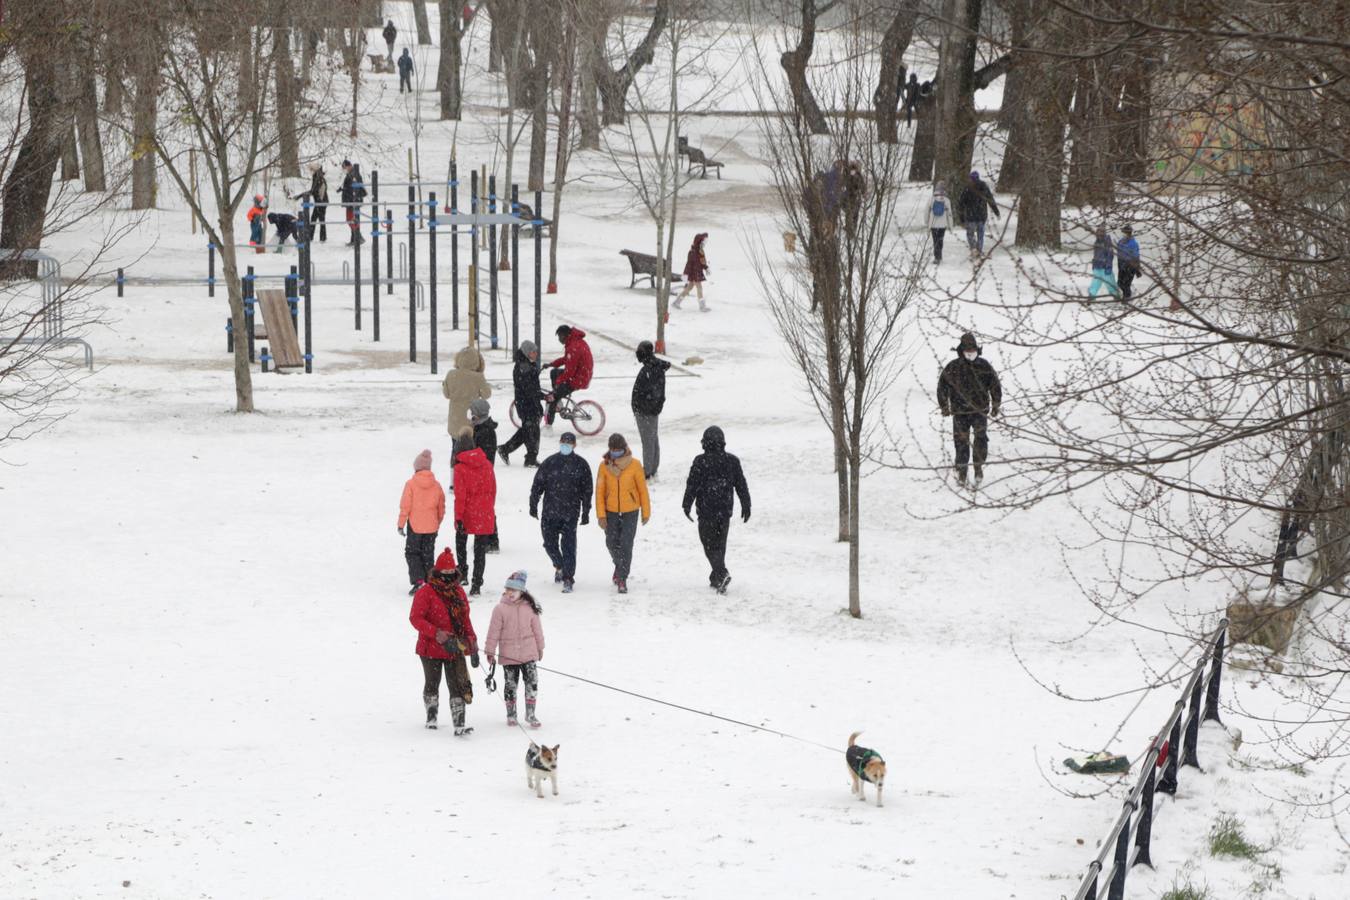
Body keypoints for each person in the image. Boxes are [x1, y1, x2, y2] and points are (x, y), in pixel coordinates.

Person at [409, 548, 480, 734]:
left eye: (451, 573)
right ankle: (431, 716)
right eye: (445, 573)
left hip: (454, 647)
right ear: (437, 572)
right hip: (430, 648)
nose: (448, 576)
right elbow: (416, 618)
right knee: (432, 683)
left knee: (457, 685)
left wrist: (472, 642)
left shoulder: (459, 592)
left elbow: (465, 619)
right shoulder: (425, 592)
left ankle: (459, 723)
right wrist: (437, 633)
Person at [682, 426, 751, 594]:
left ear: (704, 443)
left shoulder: (700, 461)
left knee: (709, 546)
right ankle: (717, 577)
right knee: (720, 546)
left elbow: (692, 485)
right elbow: (741, 484)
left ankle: (721, 573)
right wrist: (746, 503)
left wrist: (687, 504)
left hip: (706, 511)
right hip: (725, 510)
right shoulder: (732, 461)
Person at [937, 332, 1002, 489]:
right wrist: (944, 406)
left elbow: (995, 385)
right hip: (960, 413)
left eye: (973, 349)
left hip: (980, 411)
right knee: (961, 443)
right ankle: (962, 472)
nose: (970, 352)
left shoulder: (984, 366)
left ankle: (978, 467)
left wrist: (996, 404)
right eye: (967, 350)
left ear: (977, 349)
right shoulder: (953, 367)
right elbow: (942, 386)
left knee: (980, 440)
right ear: (961, 350)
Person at [529, 432, 592, 593]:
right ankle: (559, 566)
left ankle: (568, 577)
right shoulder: (550, 463)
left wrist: (586, 511)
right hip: (550, 512)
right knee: (549, 544)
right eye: (563, 442)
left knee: (569, 546)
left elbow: (587, 491)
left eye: (569, 443)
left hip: (570, 513)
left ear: (574, 445)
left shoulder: (581, 465)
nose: (566, 445)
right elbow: (538, 485)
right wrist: (533, 504)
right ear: (559, 443)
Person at [484, 571, 545, 727]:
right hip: (509, 655)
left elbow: (537, 630)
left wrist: (540, 647)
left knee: (532, 682)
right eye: (508, 589)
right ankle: (511, 714)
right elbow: (493, 632)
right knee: (511, 684)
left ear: (522, 592)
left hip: (529, 653)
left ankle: (530, 714)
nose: (510, 593)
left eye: (514, 590)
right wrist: (490, 650)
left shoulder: (529, 608)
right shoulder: (500, 609)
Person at [595, 433, 650, 595]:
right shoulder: (604, 466)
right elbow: (599, 492)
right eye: (612, 450)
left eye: (618, 450)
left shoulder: (635, 465)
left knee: (626, 544)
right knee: (611, 542)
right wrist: (601, 515)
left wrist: (645, 511)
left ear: (624, 448)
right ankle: (620, 566)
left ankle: (622, 578)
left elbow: (642, 490)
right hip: (610, 511)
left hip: (631, 511)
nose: (615, 453)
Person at [453, 427, 497, 595]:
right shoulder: (486, 464)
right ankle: (477, 583)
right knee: (480, 550)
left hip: (468, 512)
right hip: (484, 511)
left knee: (461, 542)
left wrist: (458, 517)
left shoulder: (460, 468)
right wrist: (488, 508)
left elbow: (460, 496)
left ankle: (462, 572)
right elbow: (493, 489)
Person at [398, 449, 446, 595]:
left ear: (416, 468)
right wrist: (437, 521)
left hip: (415, 525)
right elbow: (441, 507)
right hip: (431, 526)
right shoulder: (436, 485)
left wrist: (401, 524)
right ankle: (430, 581)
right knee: (428, 554)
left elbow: (405, 506)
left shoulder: (411, 484)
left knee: (412, 553)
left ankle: (419, 581)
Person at [500, 340, 543, 467]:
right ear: (527, 352)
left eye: (536, 351)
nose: (536, 354)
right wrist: (544, 396)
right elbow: (530, 389)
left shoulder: (527, 365)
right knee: (532, 432)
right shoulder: (524, 367)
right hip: (527, 405)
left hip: (527, 403)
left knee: (528, 430)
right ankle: (530, 459)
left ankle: (506, 449)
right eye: (533, 352)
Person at [631, 340, 669, 480]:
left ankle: (647, 470)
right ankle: (652, 467)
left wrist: (642, 407)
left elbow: (653, 393)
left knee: (648, 440)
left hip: (646, 411)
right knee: (652, 439)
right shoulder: (653, 366)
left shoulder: (650, 369)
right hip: (649, 410)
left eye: (639, 350)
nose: (637, 353)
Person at [442, 345, 492, 442]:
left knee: (456, 450)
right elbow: (486, 395)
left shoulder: (451, 374)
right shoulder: (478, 377)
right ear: (477, 361)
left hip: (455, 422)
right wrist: (486, 385)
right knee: (470, 452)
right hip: (471, 422)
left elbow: (446, 394)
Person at [547, 326, 593, 426]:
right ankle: (558, 398)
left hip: (578, 379)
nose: (559, 339)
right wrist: (552, 364)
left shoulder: (574, 347)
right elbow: (567, 359)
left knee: (551, 399)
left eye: (560, 336)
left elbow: (569, 372)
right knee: (554, 372)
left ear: (566, 335)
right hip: (580, 374)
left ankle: (548, 427)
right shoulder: (574, 342)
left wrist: (558, 382)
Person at [957, 170, 1000, 257]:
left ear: (971, 178)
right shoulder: (984, 187)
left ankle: (973, 249)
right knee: (980, 235)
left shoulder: (967, 188)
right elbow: (990, 200)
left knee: (970, 234)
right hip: (982, 216)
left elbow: (961, 203)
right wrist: (996, 212)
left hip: (970, 216)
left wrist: (961, 217)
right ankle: (979, 250)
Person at [673, 233, 709, 311]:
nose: (705, 243)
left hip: (697, 272)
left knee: (689, 288)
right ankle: (702, 307)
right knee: (699, 288)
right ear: (699, 242)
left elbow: (702, 262)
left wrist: (706, 268)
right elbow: (688, 264)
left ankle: (677, 302)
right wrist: (685, 274)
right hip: (694, 273)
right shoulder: (693, 252)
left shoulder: (700, 251)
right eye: (704, 241)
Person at [340, 160, 367, 246]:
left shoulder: (354, 174)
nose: (344, 170)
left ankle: (358, 237)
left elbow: (355, 188)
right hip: (351, 200)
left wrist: (347, 191)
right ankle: (354, 239)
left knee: (350, 219)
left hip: (353, 201)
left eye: (344, 168)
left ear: (349, 166)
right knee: (351, 220)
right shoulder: (351, 174)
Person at [1088, 224, 1119, 298]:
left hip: (1105, 267)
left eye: (1101, 232)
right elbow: (1095, 254)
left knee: (1110, 283)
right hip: (1097, 266)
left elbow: (1110, 255)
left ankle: (1116, 295)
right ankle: (1091, 295)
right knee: (1095, 282)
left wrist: (1108, 266)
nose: (1099, 234)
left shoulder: (1107, 242)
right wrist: (1094, 263)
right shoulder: (1097, 241)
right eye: (1098, 232)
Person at [926, 183, 951, 265]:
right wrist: (950, 224)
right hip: (942, 225)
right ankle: (939, 256)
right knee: (940, 240)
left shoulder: (931, 199)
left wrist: (927, 221)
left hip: (933, 224)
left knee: (935, 240)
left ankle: (937, 257)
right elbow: (949, 214)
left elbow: (926, 211)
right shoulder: (946, 200)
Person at [470, 398, 498, 465]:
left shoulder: (485, 432)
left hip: (482, 472)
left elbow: (484, 457)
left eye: (472, 412)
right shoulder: (479, 427)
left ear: (478, 413)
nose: (471, 414)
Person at [1116, 224, 1140, 301]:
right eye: (1122, 232)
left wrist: (1137, 269)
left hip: (1130, 266)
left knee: (1126, 284)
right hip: (1121, 265)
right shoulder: (1120, 242)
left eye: (1124, 232)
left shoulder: (1133, 244)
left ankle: (1127, 299)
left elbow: (1136, 256)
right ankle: (1128, 295)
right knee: (1120, 283)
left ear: (1128, 233)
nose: (1122, 234)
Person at [307, 164, 328, 243]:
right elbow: (314, 190)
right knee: (318, 219)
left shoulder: (317, 177)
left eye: (311, 169)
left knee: (316, 219)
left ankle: (312, 236)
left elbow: (314, 190)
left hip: (320, 201)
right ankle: (321, 237)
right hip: (321, 201)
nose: (311, 171)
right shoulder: (319, 176)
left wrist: (307, 193)